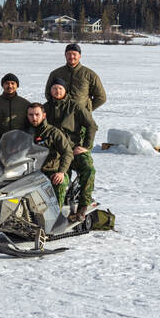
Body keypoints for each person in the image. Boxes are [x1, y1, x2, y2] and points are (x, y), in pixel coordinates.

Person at [45, 78, 98, 218]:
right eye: (54, 88)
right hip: (56, 152)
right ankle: (55, 214)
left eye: (60, 88)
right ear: (50, 91)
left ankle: (83, 206)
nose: (57, 91)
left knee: (88, 170)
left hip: (74, 149)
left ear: (65, 90)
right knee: (59, 179)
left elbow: (91, 125)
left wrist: (86, 146)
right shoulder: (45, 108)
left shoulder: (75, 107)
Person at [26, 102, 73, 205]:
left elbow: (67, 152)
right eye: (31, 115)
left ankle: (57, 212)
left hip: (51, 171)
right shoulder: (24, 133)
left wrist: (61, 172)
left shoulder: (53, 132)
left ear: (44, 115)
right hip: (31, 172)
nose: (34, 118)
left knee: (59, 183)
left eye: (37, 114)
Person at [46, 43, 106, 112]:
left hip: (80, 116)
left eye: (74, 54)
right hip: (60, 115)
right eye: (69, 54)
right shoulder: (55, 74)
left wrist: (86, 110)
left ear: (79, 56)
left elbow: (101, 97)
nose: (71, 57)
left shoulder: (90, 74)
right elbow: (48, 93)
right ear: (65, 55)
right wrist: (56, 108)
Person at [0, 73, 29, 141]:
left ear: (17, 85)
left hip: (19, 142)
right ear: (3, 85)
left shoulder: (25, 104)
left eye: (12, 83)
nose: (10, 86)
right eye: (7, 83)